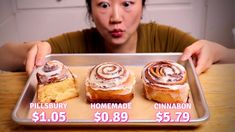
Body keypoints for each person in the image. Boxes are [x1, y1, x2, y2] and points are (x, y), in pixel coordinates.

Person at [0, 0, 234, 75]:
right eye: (103, 5)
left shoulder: (164, 37)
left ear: (142, 8)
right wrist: (35, 49)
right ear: (90, 13)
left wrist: (218, 52)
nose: (115, 17)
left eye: (127, 3)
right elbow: (3, 56)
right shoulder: (78, 42)